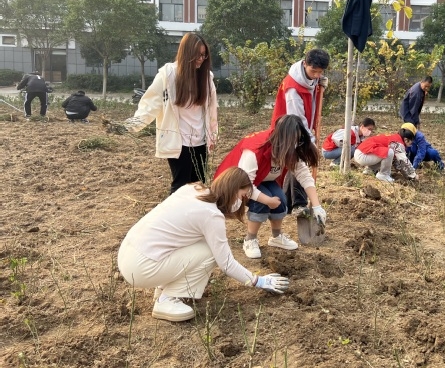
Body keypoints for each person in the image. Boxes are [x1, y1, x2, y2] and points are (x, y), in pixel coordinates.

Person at [117, 167, 290, 322]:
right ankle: (168, 299)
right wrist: (258, 281)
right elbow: (226, 263)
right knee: (209, 252)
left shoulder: (193, 189)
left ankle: (163, 288)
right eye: (242, 196)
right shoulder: (211, 215)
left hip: (129, 253)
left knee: (199, 243)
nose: (241, 202)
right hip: (141, 267)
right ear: (232, 191)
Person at [215, 114, 327, 259]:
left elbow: (304, 175)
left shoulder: (292, 148)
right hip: (237, 185)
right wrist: (267, 201)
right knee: (262, 202)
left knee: (280, 199)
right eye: (292, 141)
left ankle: (276, 237)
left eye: (297, 141)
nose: (294, 145)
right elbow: (246, 186)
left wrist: (317, 206)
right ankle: (250, 239)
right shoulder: (255, 149)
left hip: (264, 179)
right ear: (281, 138)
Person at [122, 32, 218, 194]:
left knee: (199, 184)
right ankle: (175, 217)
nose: (201, 59)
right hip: (178, 141)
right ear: (186, 54)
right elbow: (150, 104)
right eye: (197, 55)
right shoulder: (168, 75)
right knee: (180, 186)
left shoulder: (206, 77)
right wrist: (129, 126)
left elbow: (212, 109)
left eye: (204, 55)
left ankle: (193, 217)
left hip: (200, 140)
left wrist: (212, 135)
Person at [270, 48, 330, 211]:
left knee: (295, 163)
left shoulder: (312, 78)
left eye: (321, 72)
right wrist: (309, 139)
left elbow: (313, 91)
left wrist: (320, 83)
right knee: (297, 160)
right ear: (304, 64)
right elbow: (297, 118)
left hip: (301, 127)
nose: (317, 75)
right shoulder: (293, 88)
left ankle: (291, 201)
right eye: (314, 71)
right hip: (289, 129)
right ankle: (298, 203)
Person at [353, 125, 418, 183]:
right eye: (411, 143)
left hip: (361, 153)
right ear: (406, 140)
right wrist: (413, 175)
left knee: (386, 154)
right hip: (363, 155)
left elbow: (396, 162)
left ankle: (370, 170)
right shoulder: (398, 143)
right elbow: (403, 160)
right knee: (389, 152)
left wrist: (407, 176)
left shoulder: (393, 138)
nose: (410, 145)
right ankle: (383, 174)